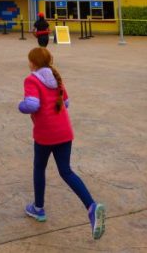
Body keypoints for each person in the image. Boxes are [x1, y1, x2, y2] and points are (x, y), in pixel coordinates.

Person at [19, 47, 106, 240]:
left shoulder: (31, 79)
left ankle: (38, 208)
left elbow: (32, 104)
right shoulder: (56, 78)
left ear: (33, 63)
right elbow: (65, 103)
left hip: (45, 134)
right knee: (66, 171)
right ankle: (91, 206)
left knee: (39, 168)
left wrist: (21, 105)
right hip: (64, 132)